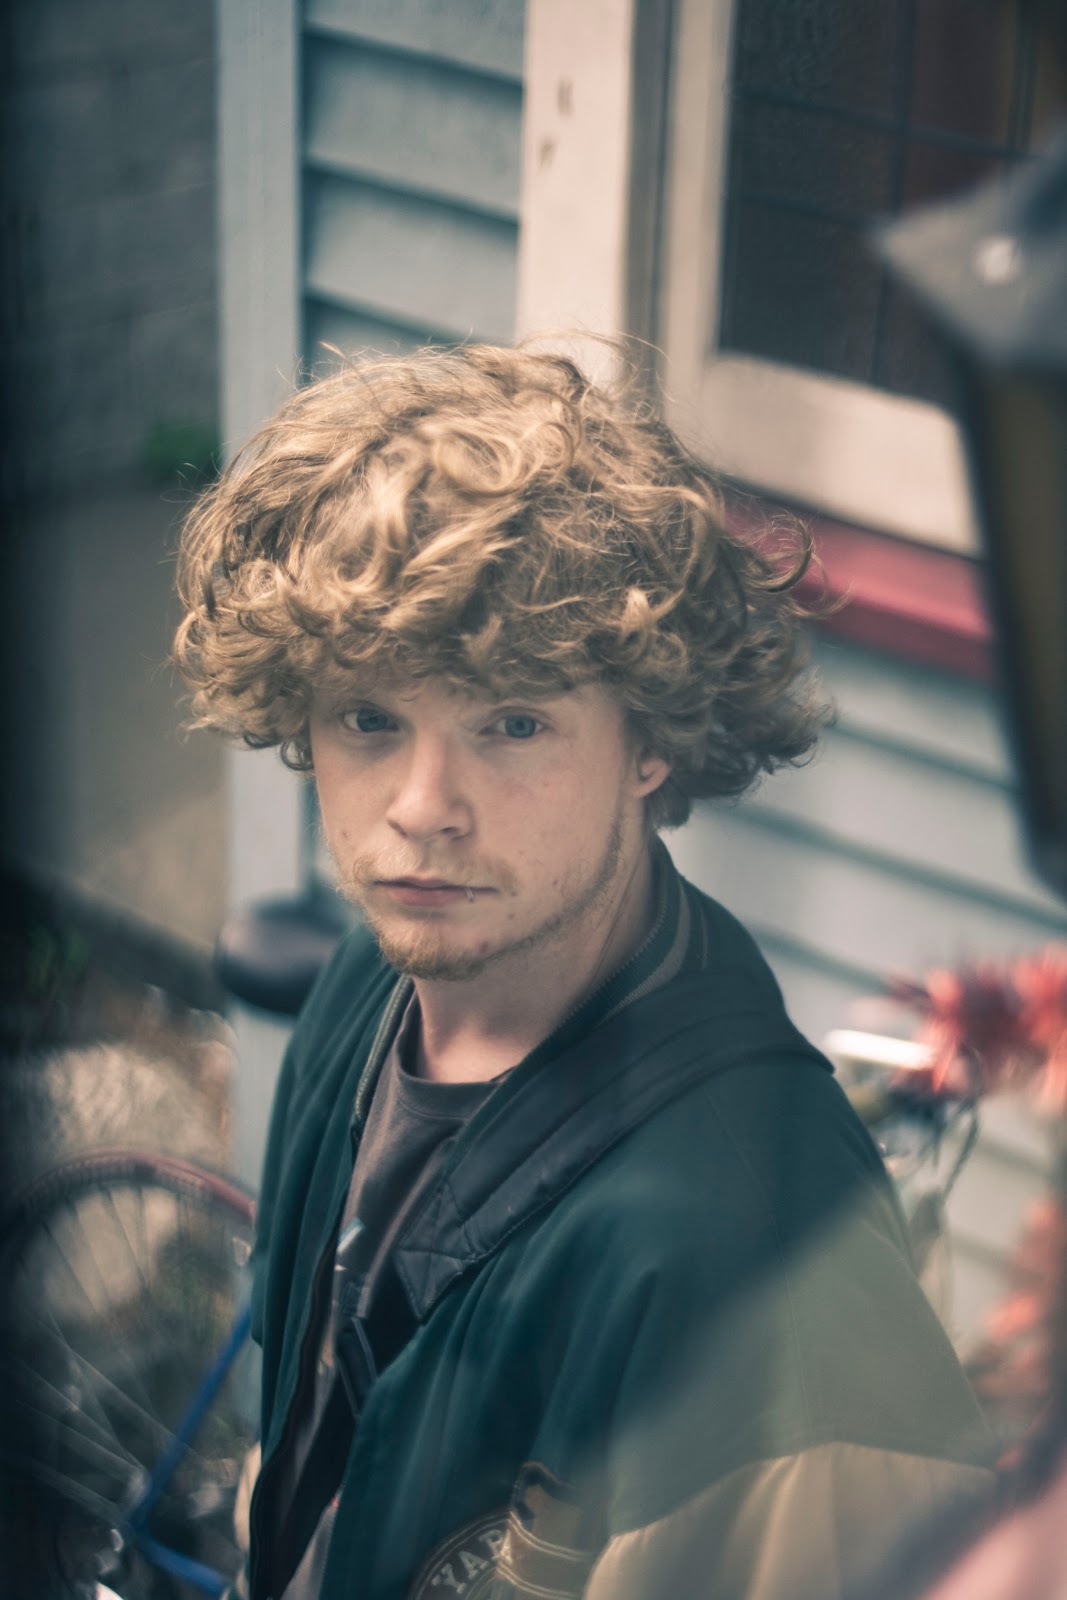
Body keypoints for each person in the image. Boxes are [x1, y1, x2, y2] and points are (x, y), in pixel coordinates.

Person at [175, 344, 995, 1600]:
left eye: (512, 723)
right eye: (368, 719)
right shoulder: (361, 988)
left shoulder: (756, 1261)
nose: (421, 807)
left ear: (648, 745)